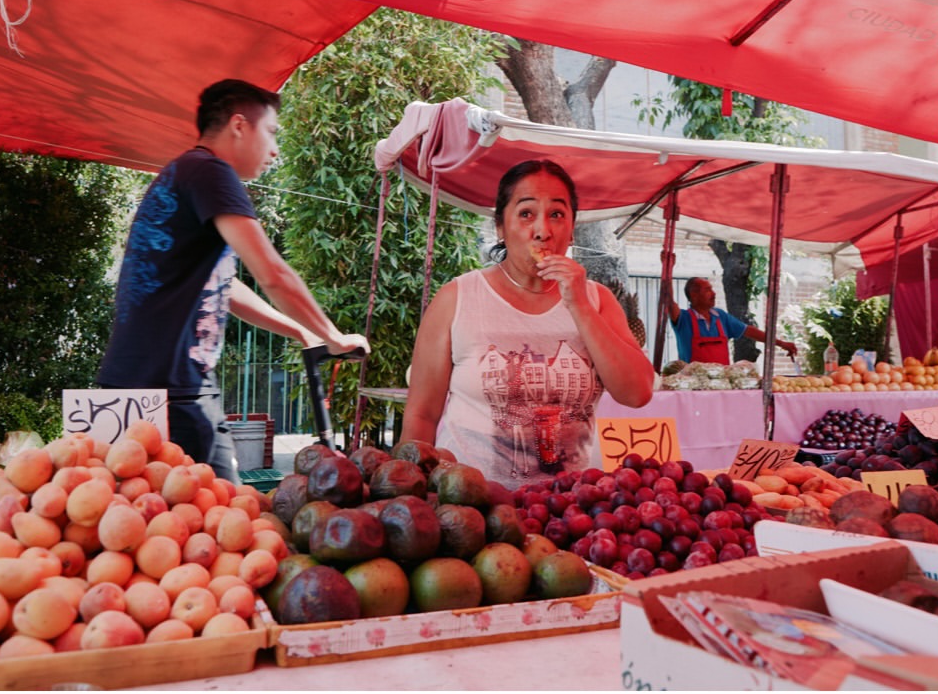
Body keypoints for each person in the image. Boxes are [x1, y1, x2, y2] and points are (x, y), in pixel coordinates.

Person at [98, 79, 369, 482]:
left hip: (131, 385)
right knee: (221, 521)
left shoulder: (184, 172)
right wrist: (333, 336)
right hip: (174, 392)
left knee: (143, 529)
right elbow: (273, 273)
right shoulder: (210, 172)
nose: (275, 150)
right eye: (272, 133)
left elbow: (226, 289)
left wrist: (299, 330)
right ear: (239, 125)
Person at [400, 159, 655, 489]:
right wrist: (410, 492)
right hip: (471, 511)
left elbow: (637, 393)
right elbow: (422, 414)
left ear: (572, 227)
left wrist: (578, 305)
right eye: (526, 214)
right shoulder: (457, 298)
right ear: (500, 226)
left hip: (569, 512)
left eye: (557, 215)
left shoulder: (596, 300)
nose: (542, 231)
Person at [669, 276, 798, 366]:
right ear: (694, 294)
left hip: (722, 384)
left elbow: (750, 331)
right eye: (708, 290)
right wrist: (667, 271)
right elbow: (667, 300)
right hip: (693, 386)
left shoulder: (721, 316)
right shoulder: (683, 318)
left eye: (712, 289)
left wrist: (781, 343)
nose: (713, 294)